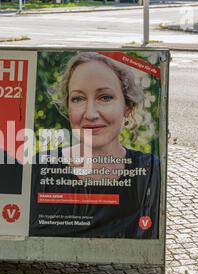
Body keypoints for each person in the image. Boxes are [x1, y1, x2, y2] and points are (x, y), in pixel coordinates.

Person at [29, 52, 160, 239]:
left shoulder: (149, 171)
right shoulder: (41, 166)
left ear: (127, 106)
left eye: (105, 97)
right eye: (78, 99)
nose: (90, 114)